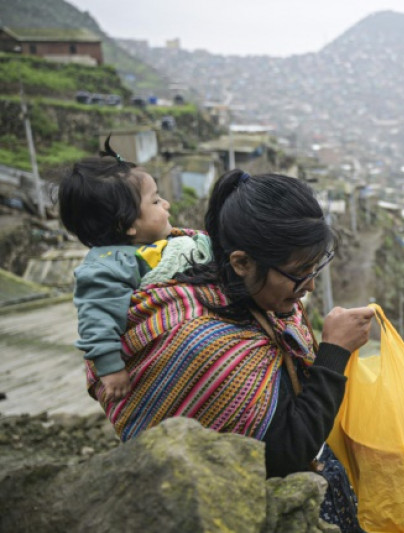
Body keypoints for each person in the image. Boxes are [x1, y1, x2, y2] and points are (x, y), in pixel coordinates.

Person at [86, 168, 375, 485]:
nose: (310, 286)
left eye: (314, 268)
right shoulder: (201, 341)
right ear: (241, 262)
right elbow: (289, 451)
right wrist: (334, 352)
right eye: (299, 272)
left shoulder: (253, 298)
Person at [59, 137, 212, 405]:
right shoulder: (107, 265)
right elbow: (97, 317)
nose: (166, 204)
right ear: (126, 224)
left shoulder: (168, 243)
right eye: (155, 201)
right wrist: (110, 368)